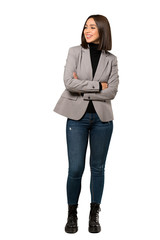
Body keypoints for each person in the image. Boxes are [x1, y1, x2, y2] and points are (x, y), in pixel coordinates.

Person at [54, 14, 119, 234]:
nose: (87, 30)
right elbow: (68, 83)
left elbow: (113, 91)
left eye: (92, 27)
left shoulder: (111, 59)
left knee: (98, 168)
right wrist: (98, 86)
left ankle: (94, 212)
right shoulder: (74, 52)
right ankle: (72, 213)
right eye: (85, 27)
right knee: (75, 169)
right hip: (77, 118)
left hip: (102, 120)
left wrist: (86, 87)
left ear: (102, 30)